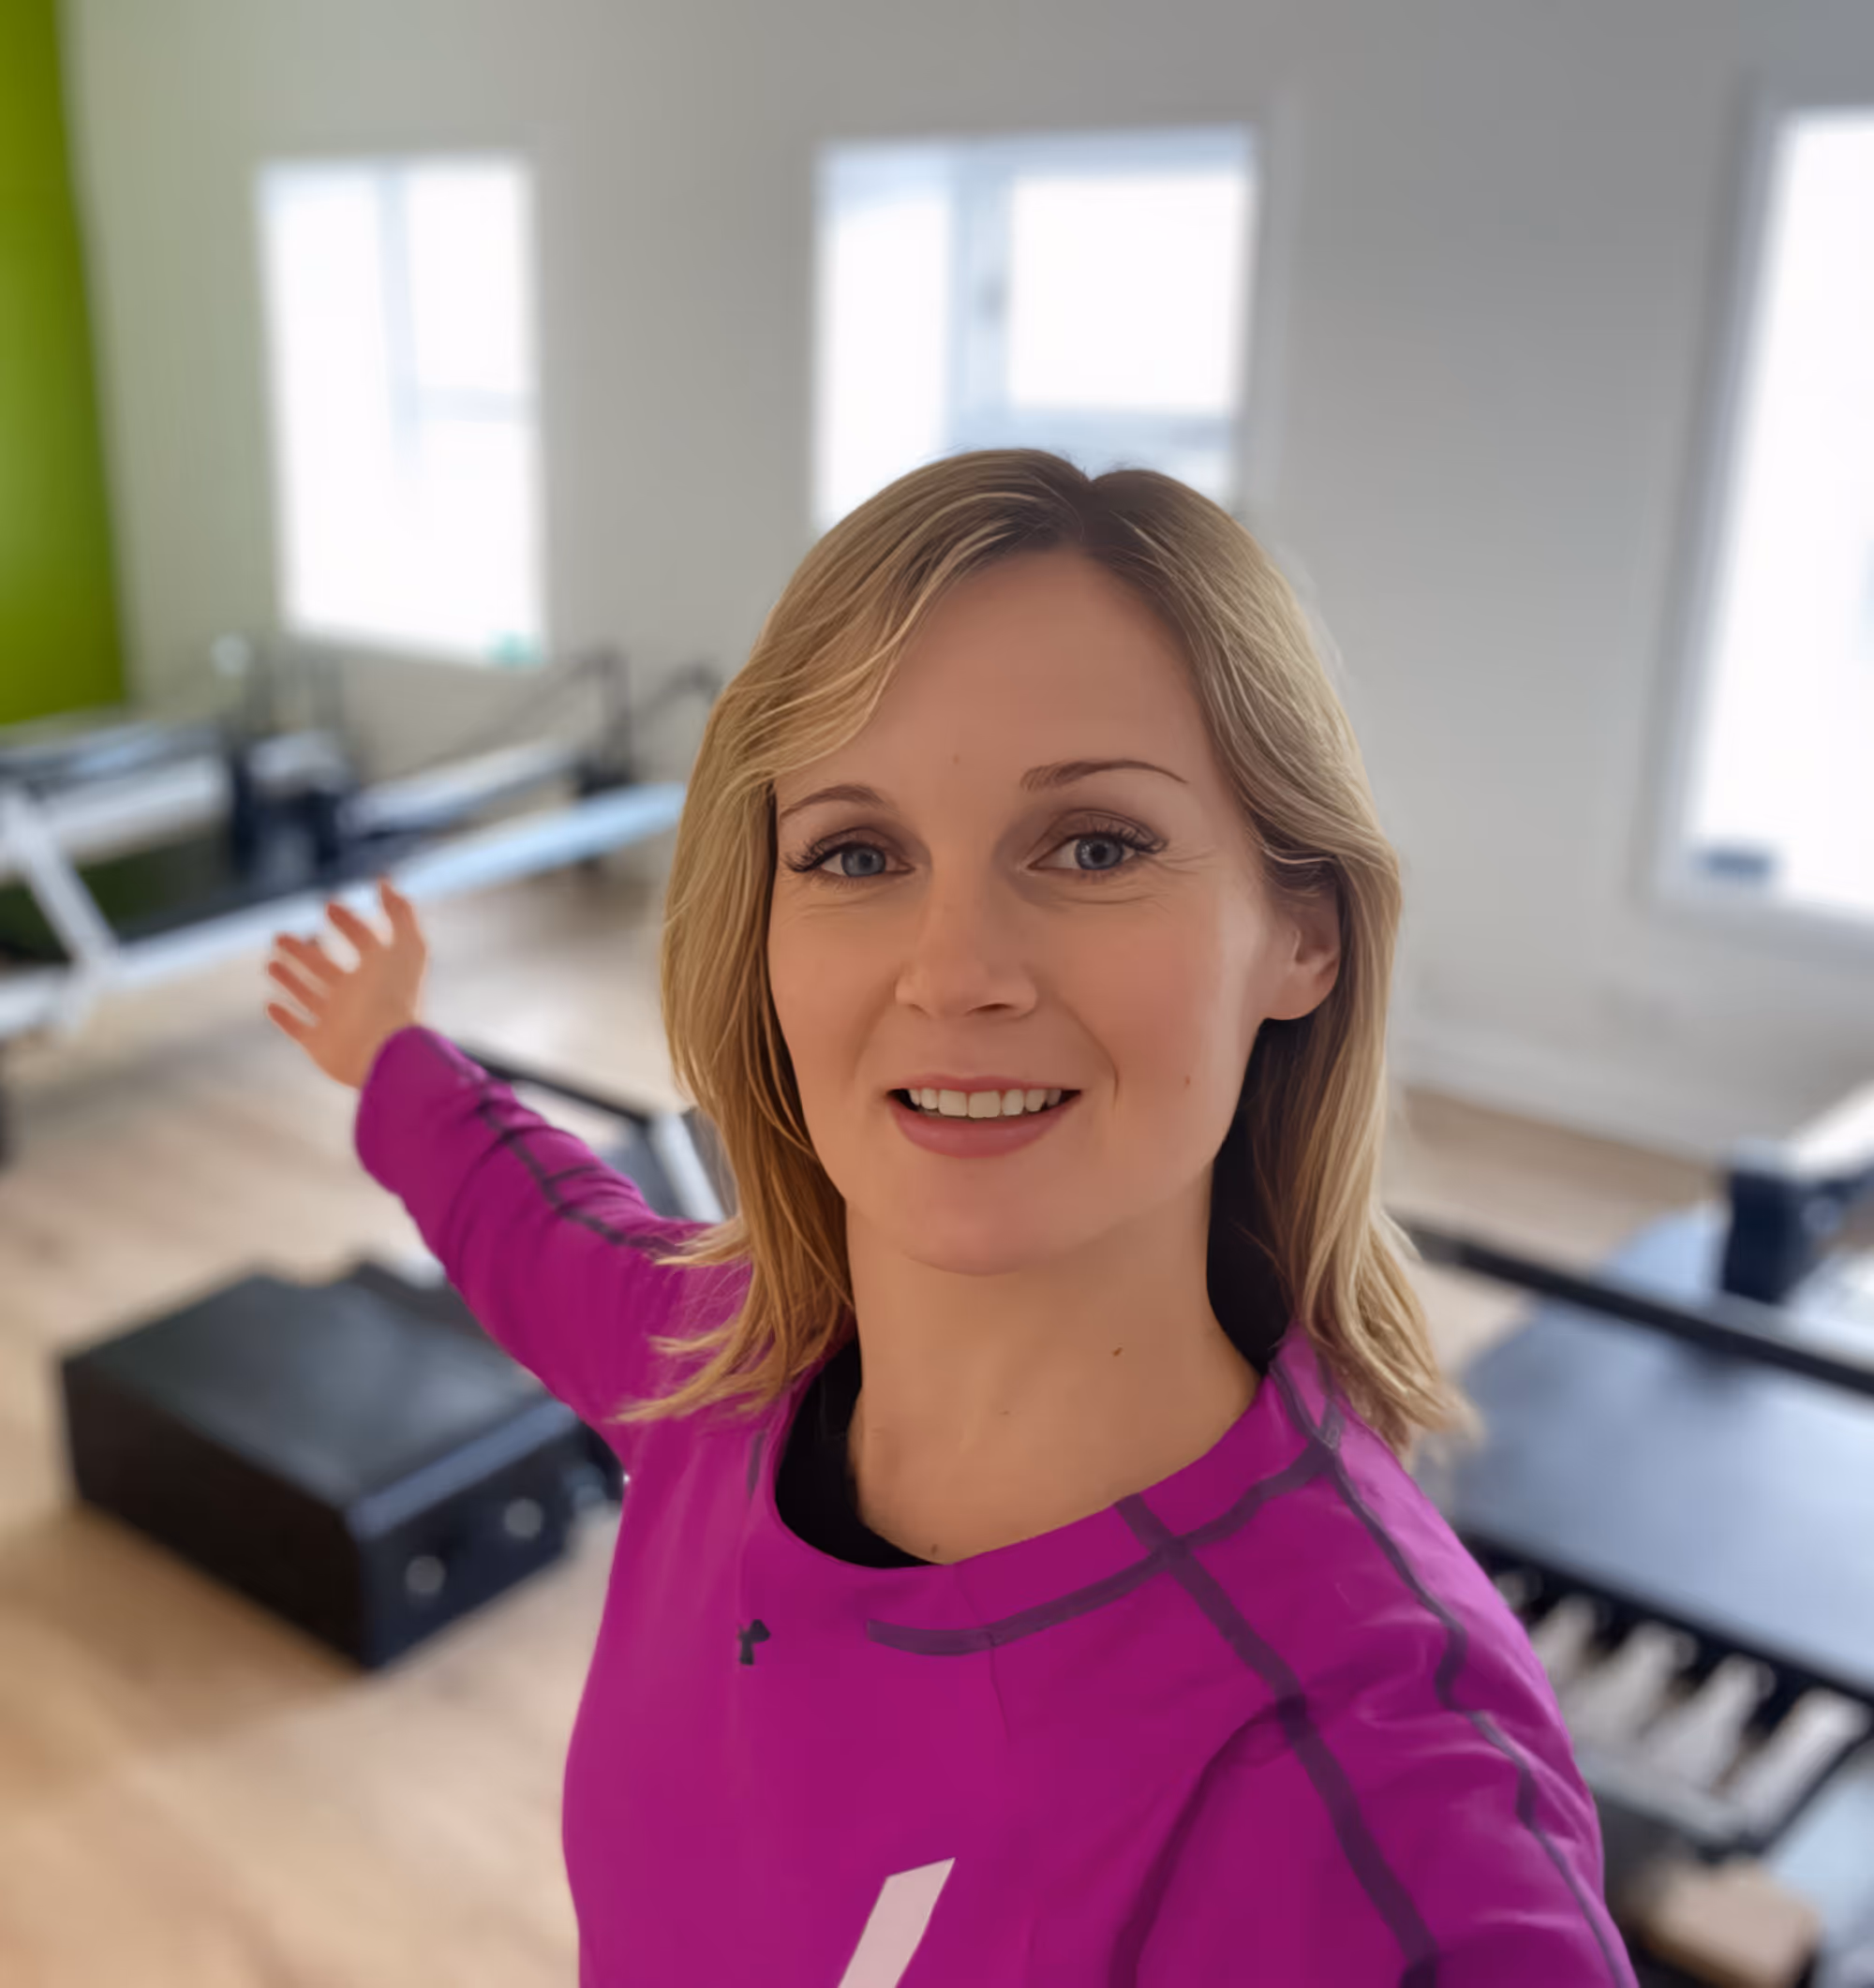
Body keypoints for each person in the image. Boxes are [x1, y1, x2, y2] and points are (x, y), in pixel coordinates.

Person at [264, 449, 1637, 1986]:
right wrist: (390, 1051)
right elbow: (530, 1220)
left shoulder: (1373, 1783)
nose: (954, 970)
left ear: (1301, 932)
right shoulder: (714, 1377)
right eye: (857, 853)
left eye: (1096, 844)